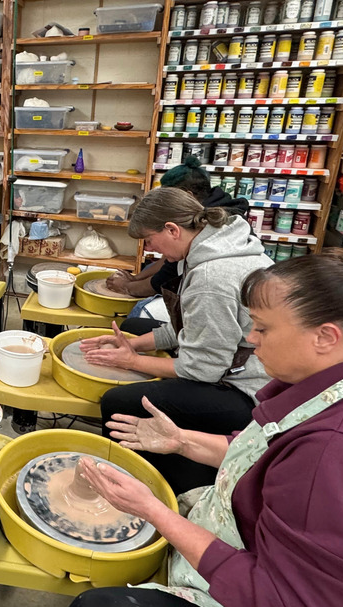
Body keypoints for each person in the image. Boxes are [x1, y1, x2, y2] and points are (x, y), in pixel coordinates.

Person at [64, 248, 343, 607]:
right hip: (297, 567)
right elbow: (268, 454)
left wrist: (154, 511)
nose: (251, 339)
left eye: (263, 328)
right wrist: (182, 441)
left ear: (325, 337)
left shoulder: (340, 457)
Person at [79, 187, 272, 493]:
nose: (153, 250)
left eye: (150, 241)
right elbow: (191, 329)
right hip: (233, 362)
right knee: (134, 324)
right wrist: (135, 343)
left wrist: (132, 361)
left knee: (119, 403)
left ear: (172, 229)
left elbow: (204, 368)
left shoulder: (212, 276)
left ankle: (132, 489)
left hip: (246, 390)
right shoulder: (217, 242)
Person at [112, 158, 250, 335]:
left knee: (142, 311)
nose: (150, 248)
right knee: (134, 328)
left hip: (236, 348)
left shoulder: (210, 277)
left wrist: (127, 287)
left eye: (149, 240)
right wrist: (135, 278)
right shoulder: (201, 226)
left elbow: (206, 356)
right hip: (215, 326)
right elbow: (168, 262)